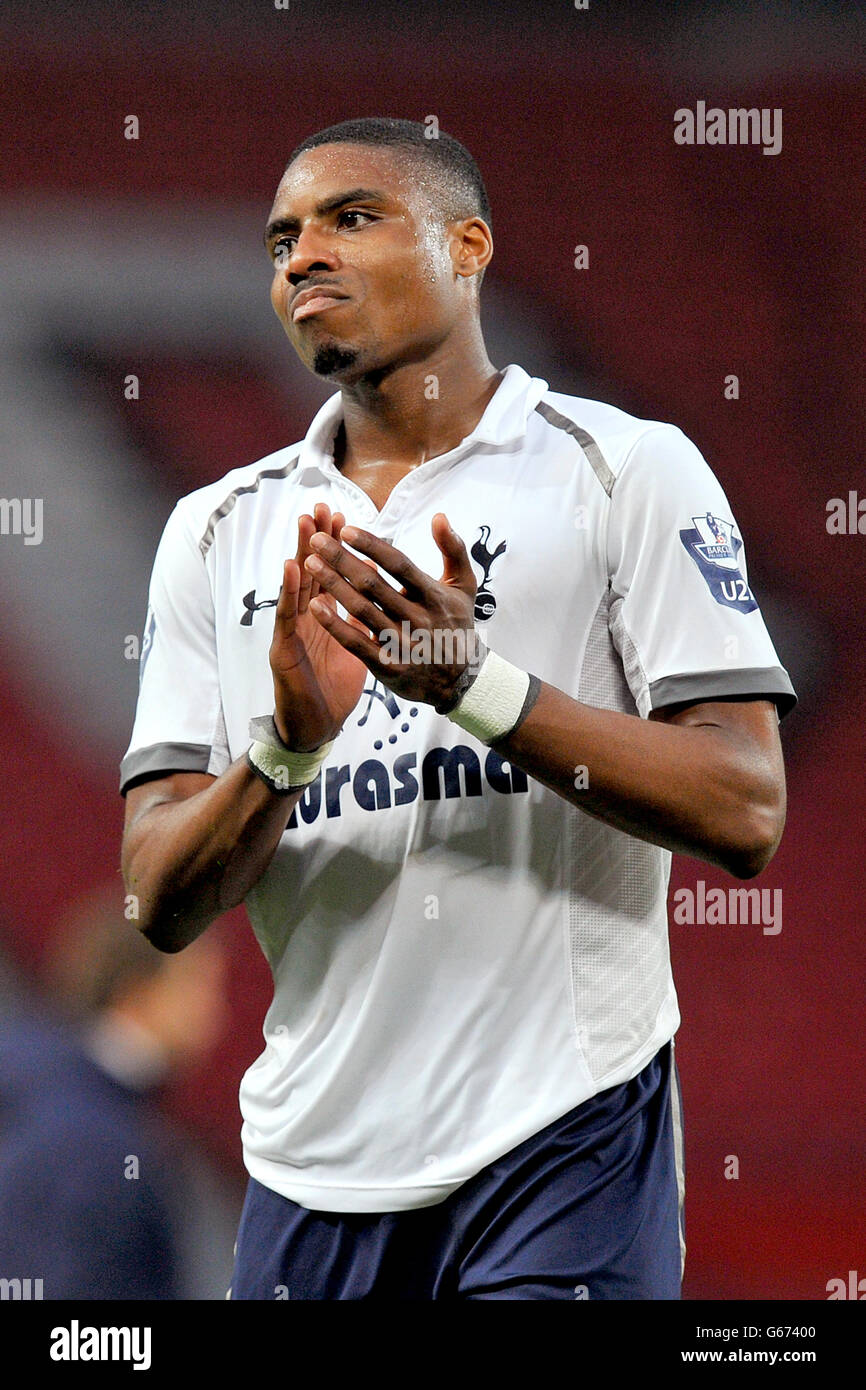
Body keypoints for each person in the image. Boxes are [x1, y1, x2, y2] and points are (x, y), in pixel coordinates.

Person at [119, 117, 796, 1300]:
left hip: (561, 1142)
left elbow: (743, 807)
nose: (301, 256)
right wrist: (284, 749)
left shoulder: (621, 470)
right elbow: (156, 898)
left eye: (350, 217)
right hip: (309, 1165)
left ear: (468, 245)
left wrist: (474, 689)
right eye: (281, 238)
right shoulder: (217, 529)